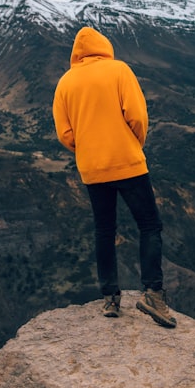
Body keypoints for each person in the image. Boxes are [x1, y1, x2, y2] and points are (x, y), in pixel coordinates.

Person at [52, 26, 176, 328]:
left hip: (92, 168)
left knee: (104, 230)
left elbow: (65, 133)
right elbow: (137, 116)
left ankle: (110, 298)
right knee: (149, 225)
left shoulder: (65, 82)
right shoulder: (119, 70)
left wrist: (87, 150)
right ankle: (153, 295)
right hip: (128, 163)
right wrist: (134, 143)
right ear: (104, 46)